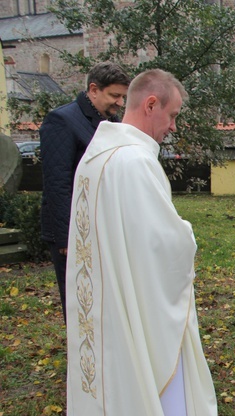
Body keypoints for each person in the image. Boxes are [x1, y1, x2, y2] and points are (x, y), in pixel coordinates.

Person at [65, 69, 224, 416]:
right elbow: (162, 244)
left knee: (117, 383)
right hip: (138, 305)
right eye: (171, 115)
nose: (173, 126)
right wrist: (187, 234)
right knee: (151, 382)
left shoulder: (96, 157)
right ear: (150, 104)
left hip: (106, 300)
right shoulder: (135, 162)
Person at [39, 61, 131, 319]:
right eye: (114, 95)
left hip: (103, 225)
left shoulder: (110, 121)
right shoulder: (62, 121)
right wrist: (68, 237)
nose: (120, 103)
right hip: (74, 230)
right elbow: (58, 183)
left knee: (105, 305)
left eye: (123, 97)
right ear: (93, 89)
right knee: (81, 307)